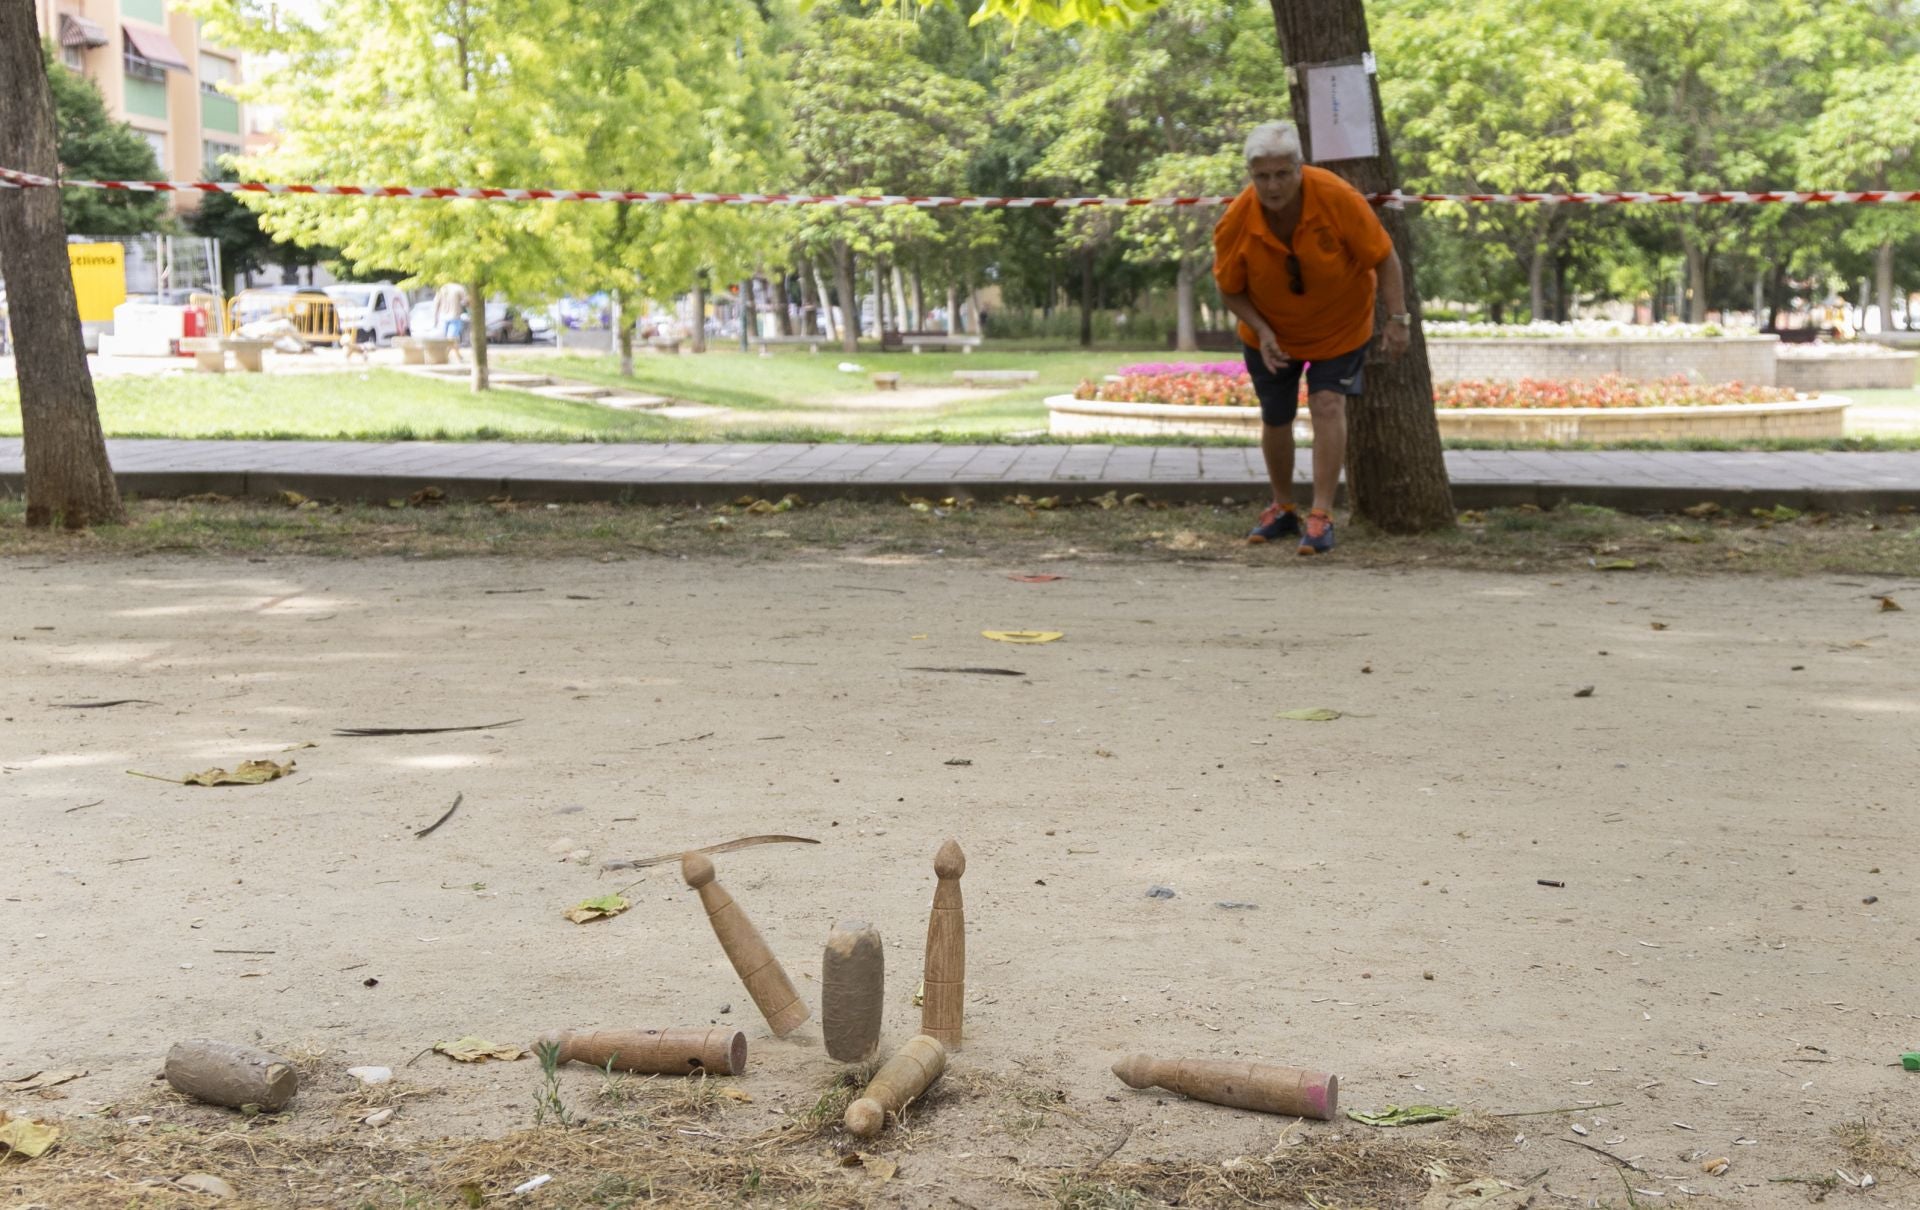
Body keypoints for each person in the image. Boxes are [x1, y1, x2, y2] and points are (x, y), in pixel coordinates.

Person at [1214, 120, 1410, 554]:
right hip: (1271, 333)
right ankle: (1283, 508)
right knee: (1276, 415)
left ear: (1299, 168)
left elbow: (1384, 257)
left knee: (1326, 403)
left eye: (1282, 174)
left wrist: (1398, 318)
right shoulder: (1235, 221)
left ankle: (1320, 516)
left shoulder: (1337, 198)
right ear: (1251, 176)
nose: (1273, 185)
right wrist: (1263, 331)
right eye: (1262, 176)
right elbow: (1229, 287)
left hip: (1339, 327)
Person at [433, 281, 470, 362]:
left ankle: (453, 357)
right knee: (451, 339)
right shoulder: (459, 288)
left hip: (443, 317)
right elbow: (466, 302)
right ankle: (450, 357)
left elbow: (436, 303)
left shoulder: (442, 288)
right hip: (454, 316)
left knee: (449, 339)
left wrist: (435, 318)